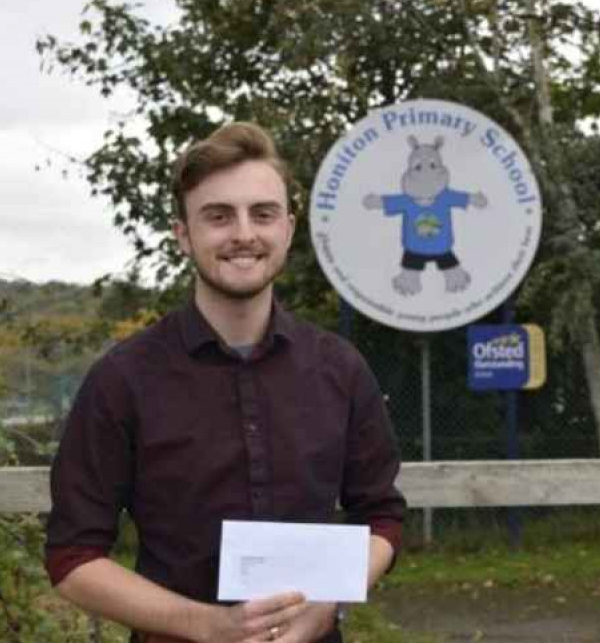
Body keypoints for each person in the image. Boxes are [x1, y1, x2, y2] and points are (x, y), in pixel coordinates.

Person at [45, 122, 406, 643]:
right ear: (184, 236)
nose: (243, 233)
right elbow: (72, 558)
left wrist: (330, 605)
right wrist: (209, 626)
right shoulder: (123, 379)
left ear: (288, 227)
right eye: (218, 217)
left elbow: (382, 517)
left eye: (263, 214)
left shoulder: (340, 369)